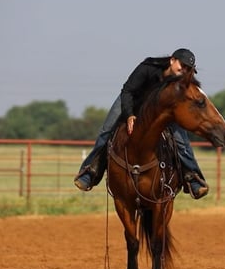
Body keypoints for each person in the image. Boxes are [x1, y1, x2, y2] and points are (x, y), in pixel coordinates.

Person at [73, 48, 210, 199]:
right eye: (182, 65)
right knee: (107, 131)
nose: (183, 70)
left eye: (187, 69)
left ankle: (192, 178)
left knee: (182, 141)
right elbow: (127, 91)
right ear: (172, 60)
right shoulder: (148, 67)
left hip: (159, 111)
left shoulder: (180, 83)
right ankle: (90, 172)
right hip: (131, 101)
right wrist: (129, 114)